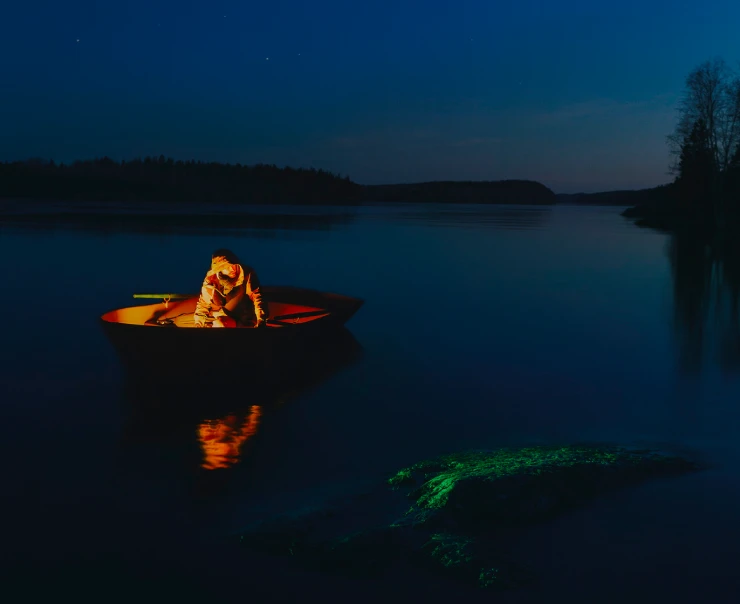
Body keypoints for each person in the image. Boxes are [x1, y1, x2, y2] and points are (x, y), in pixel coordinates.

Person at [193, 248, 269, 328]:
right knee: (183, 321)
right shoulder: (211, 280)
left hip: (243, 316)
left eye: (233, 265)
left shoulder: (247, 275)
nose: (232, 269)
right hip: (218, 315)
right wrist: (199, 324)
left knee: (220, 324)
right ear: (220, 270)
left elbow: (257, 297)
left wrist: (261, 320)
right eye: (227, 267)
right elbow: (203, 304)